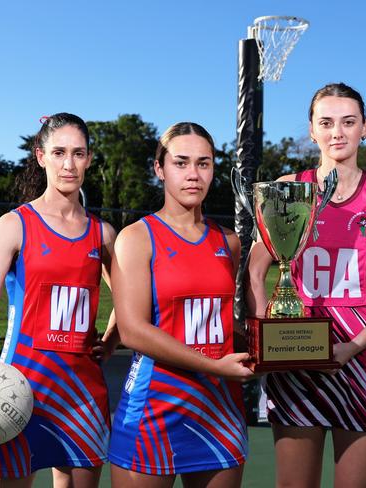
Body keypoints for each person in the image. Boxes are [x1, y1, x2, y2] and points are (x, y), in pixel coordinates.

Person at [246, 82, 366, 488]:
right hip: (297, 359)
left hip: (363, 359)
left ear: (365, 128)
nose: (338, 132)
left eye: (348, 122)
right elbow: (254, 268)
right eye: (327, 122)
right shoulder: (288, 187)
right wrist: (267, 330)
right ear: (312, 130)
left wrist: (353, 346)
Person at [0, 113, 119, 487]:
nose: (69, 164)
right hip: (17, 389)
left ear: (89, 159)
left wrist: (108, 344)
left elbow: (131, 304)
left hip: (81, 397)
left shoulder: (102, 234)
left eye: (78, 153)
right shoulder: (15, 225)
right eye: (59, 152)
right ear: (41, 155)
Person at [108, 122, 253, 488]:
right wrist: (213, 365)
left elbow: (218, 322)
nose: (193, 174)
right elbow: (133, 330)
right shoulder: (137, 237)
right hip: (155, 407)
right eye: (181, 162)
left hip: (219, 408)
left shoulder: (229, 242)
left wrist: (267, 348)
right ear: (159, 169)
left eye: (204, 164)